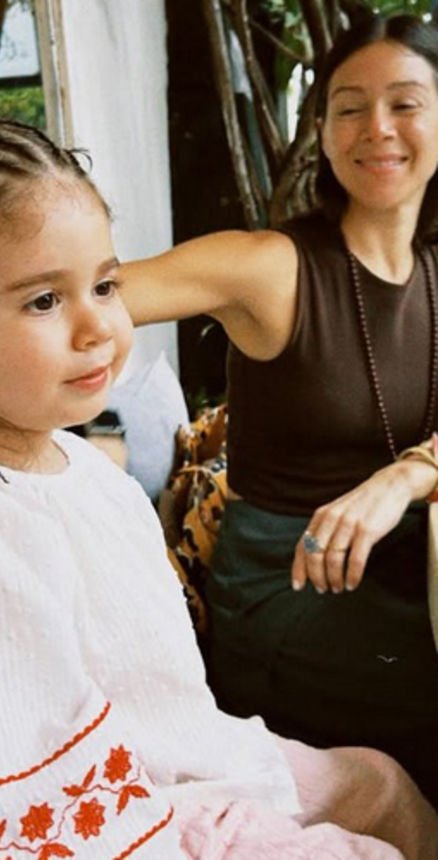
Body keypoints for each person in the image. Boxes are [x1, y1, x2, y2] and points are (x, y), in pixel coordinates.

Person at [0, 118, 437, 860]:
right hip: (141, 821)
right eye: (44, 301)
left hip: (193, 762)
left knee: (383, 784)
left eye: (106, 286)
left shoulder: (71, 462)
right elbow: (33, 793)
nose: (98, 326)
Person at [120, 12, 438, 809]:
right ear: (323, 134)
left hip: (418, 568)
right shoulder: (270, 267)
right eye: (349, 108)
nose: (378, 128)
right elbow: (79, 303)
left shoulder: (436, 268)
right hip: (291, 589)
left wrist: (404, 476)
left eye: (405, 103)